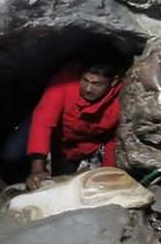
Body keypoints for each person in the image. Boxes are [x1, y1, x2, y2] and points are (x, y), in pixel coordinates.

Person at [21, 58, 124, 190]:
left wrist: (108, 174)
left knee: (64, 181)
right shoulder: (64, 82)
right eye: (85, 80)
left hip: (82, 145)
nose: (88, 89)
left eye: (97, 84)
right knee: (11, 153)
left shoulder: (122, 99)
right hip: (56, 134)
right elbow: (43, 122)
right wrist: (37, 170)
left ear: (113, 81)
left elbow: (115, 139)